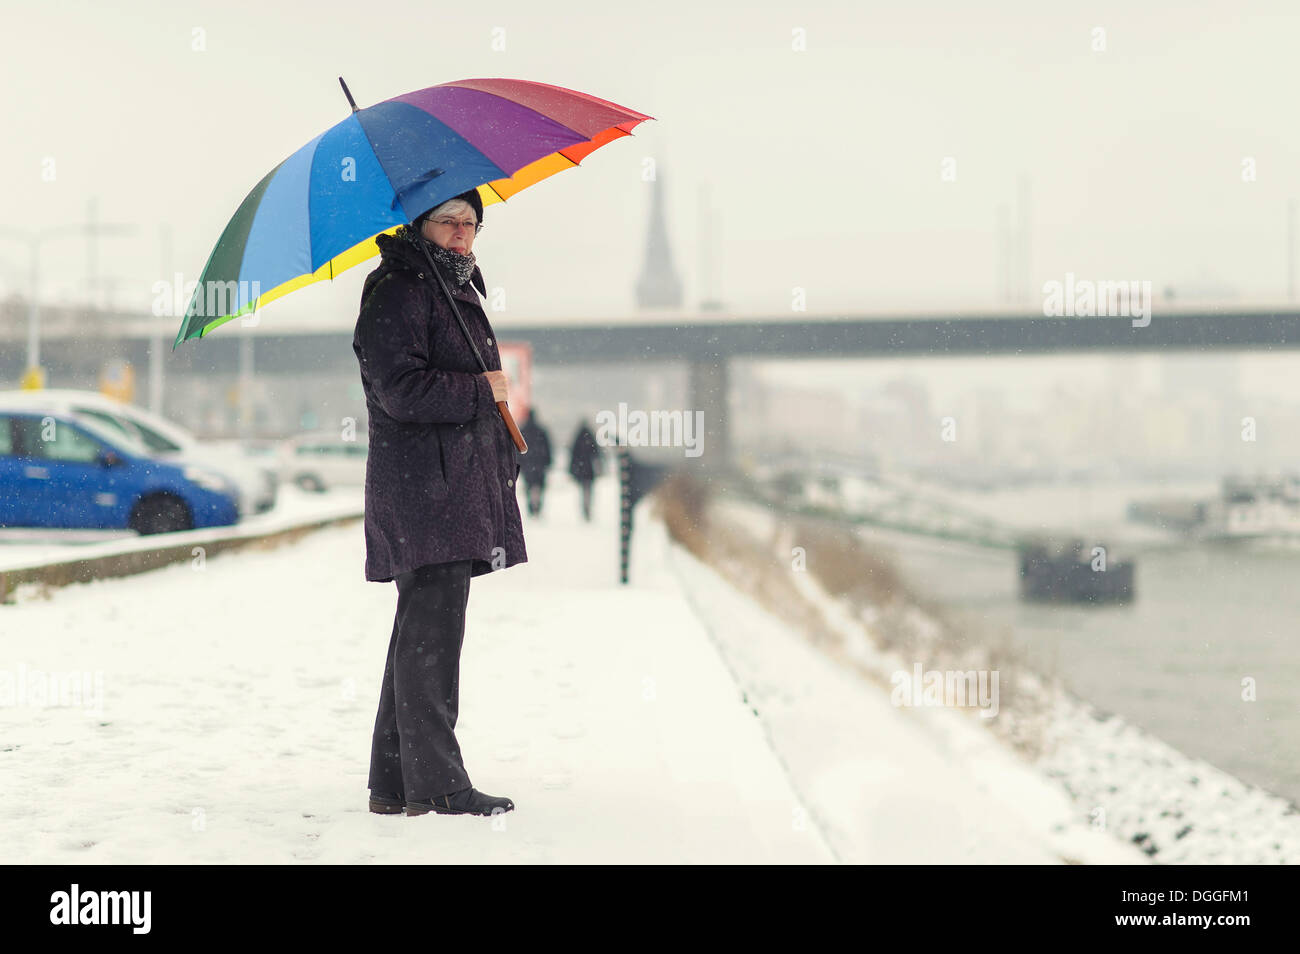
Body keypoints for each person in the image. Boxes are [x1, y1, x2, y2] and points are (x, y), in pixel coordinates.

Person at [352, 188, 526, 818]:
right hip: (423, 490)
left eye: (471, 223)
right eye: (448, 221)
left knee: (419, 637)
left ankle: (394, 782)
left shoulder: (449, 289)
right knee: (432, 639)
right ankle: (439, 785)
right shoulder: (398, 290)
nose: (461, 233)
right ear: (418, 225)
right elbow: (400, 391)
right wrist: (481, 391)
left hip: (447, 489)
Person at [518, 407, 553, 517]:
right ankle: (537, 507)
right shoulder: (541, 431)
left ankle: (531, 507)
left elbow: (517, 450)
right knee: (538, 487)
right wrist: (547, 462)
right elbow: (548, 448)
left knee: (529, 487)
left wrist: (519, 463)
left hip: (527, 465)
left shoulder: (522, 430)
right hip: (539, 465)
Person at [568, 419, 604, 522]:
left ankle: (585, 508)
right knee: (588, 490)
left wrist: (572, 470)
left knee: (583, 490)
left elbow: (573, 455)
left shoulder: (577, 439)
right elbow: (597, 454)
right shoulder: (591, 439)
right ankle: (587, 508)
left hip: (581, 470)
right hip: (589, 471)